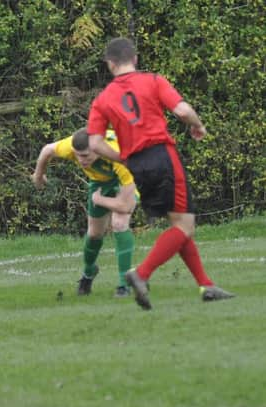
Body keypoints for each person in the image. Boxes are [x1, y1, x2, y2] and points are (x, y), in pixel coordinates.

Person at [87, 37, 234, 310]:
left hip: (137, 165)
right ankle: (141, 274)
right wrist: (198, 125)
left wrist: (124, 157)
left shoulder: (103, 98)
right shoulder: (153, 81)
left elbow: (95, 143)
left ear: (109, 64)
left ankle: (206, 285)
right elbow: (182, 110)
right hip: (162, 156)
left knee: (179, 224)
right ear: (136, 58)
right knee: (184, 225)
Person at [32, 128, 137, 298]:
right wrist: (39, 174)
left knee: (119, 223)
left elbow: (126, 206)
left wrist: (100, 200)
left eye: (86, 156)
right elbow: (47, 150)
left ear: (98, 148)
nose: (81, 160)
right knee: (94, 234)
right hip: (99, 182)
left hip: (127, 180)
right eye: (78, 155)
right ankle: (89, 272)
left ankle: (124, 285)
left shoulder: (118, 156)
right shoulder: (71, 146)